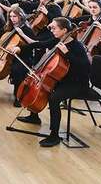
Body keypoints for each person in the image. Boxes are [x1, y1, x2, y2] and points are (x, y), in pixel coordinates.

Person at [15, 17, 90, 147]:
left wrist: (67, 54)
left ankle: (54, 135)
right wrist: (21, 49)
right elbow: (39, 44)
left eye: (54, 28)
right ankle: (34, 116)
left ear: (64, 30)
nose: (51, 30)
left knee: (54, 99)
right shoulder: (58, 40)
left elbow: (85, 67)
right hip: (62, 79)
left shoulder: (76, 46)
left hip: (77, 83)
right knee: (41, 87)